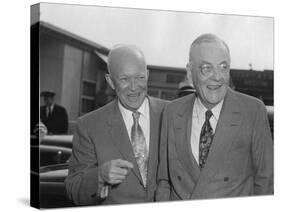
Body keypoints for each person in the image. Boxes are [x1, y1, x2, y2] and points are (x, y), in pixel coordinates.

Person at [156, 34, 273, 201]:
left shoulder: (252, 111)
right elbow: (164, 180)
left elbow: (266, 180)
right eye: (207, 68)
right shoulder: (171, 112)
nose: (218, 77)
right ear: (190, 73)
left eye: (223, 67)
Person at [65, 45, 167, 205]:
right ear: (110, 81)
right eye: (124, 79)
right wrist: (99, 176)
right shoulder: (89, 126)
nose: (134, 87)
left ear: (147, 75)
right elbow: (74, 189)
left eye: (140, 77)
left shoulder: (173, 114)